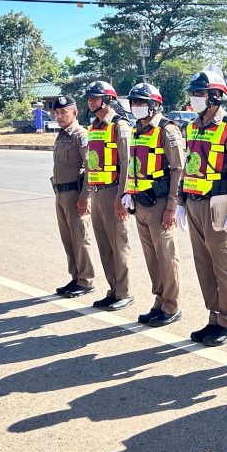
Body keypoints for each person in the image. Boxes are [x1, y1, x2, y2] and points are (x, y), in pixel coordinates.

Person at [179, 70, 227, 346]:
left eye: (200, 93)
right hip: (194, 202)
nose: (194, 98)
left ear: (216, 96)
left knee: (222, 264)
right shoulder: (192, 126)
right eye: (193, 93)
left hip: (218, 204)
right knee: (203, 264)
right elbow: (187, 165)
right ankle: (214, 317)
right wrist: (181, 201)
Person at [125, 82, 186, 327]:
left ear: (154, 105)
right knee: (152, 257)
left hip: (160, 203)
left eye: (141, 102)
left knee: (167, 256)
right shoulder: (137, 130)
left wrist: (172, 205)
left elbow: (178, 169)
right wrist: (128, 192)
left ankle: (172, 306)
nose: (136, 106)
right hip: (141, 202)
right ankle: (159, 301)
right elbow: (134, 164)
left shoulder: (166, 130)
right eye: (134, 102)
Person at [84, 80, 135, 311]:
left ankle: (124, 292)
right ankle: (113, 289)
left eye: (95, 97)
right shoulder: (94, 126)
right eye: (89, 98)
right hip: (97, 192)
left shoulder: (119, 125)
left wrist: (121, 196)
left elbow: (127, 163)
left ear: (108, 99)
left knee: (119, 244)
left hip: (114, 190)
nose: (91, 101)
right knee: (105, 246)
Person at [50, 95, 95, 298]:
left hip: (75, 195)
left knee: (80, 238)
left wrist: (85, 196)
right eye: (57, 113)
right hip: (60, 194)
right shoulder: (61, 135)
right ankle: (75, 277)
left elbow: (90, 168)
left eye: (63, 112)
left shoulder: (80, 135)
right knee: (68, 239)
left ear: (75, 113)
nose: (59, 116)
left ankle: (86, 281)